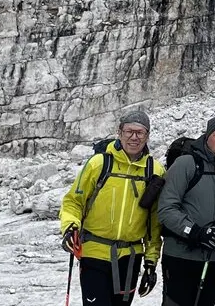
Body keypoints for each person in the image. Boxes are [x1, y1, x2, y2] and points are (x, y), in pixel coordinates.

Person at [59, 111, 164, 305]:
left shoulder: (154, 170)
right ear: (120, 132)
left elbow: (154, 222)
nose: (134, 137)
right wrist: (70, 227)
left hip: (130, 258)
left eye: (140, 133)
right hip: (94, 253)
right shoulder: (99, 164)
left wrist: (150, 262)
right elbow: (73, 202)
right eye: (129, 131)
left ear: (147, 135)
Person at [158, 115, 215, 306]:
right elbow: (166, 209)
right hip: (180, 254)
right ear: (208, 136)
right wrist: (195, 232)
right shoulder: (186, 164)